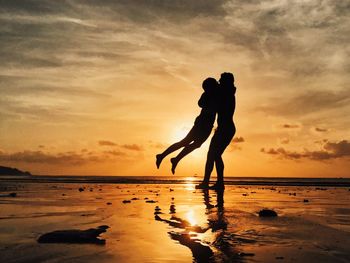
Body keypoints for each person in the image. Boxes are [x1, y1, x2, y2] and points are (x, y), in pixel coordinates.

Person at [156, 77, 218, 174]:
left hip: (205, 123)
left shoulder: (213, 93)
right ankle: (165, 156)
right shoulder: (209, 94)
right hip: (202, 123)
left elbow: (202, 103)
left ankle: (172, 158)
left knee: (192, 143)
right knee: (186, 142)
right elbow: (200, 103)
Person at [196, 72, 236, 190]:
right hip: (223, 128)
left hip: (226, 129)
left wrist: (211, 91)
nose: (219, 82)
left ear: (226, 82)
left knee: (214, 155)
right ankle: (217, 182)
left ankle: (212, 182)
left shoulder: (226, 94)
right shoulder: (226, 93)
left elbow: (204, 103)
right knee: (215, 155)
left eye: (221, 80)